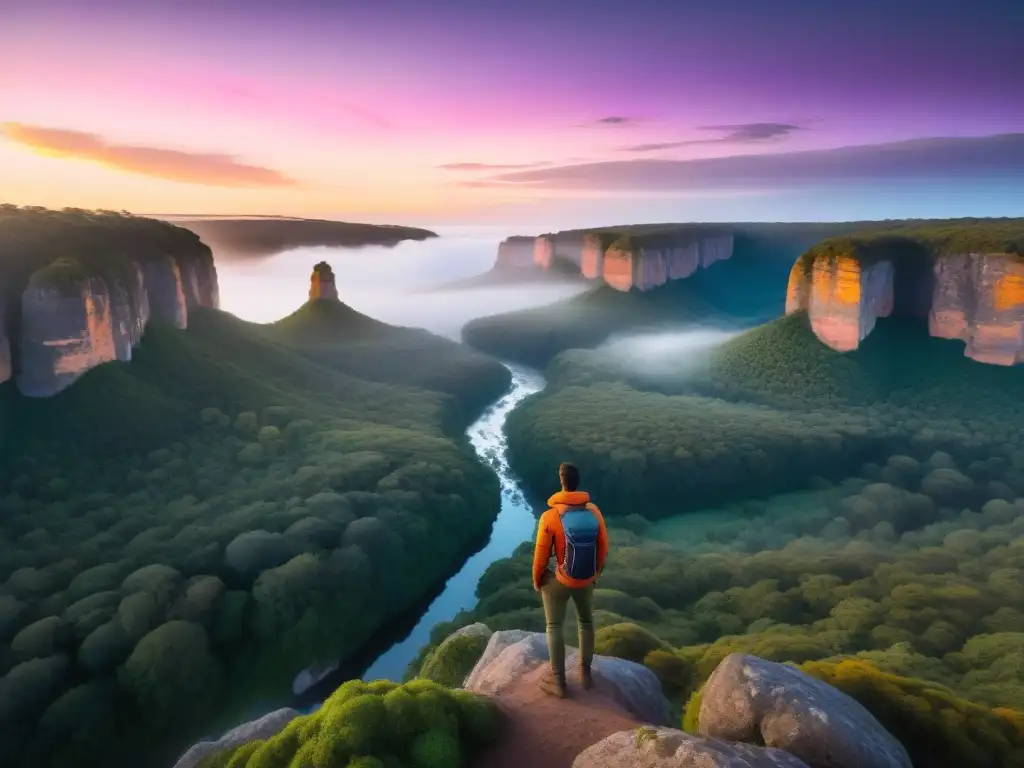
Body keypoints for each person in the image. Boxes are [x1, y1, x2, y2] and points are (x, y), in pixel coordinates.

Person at [532, 462, 609, 698]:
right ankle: (585, 673)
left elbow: (541, 555)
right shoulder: (593, 510)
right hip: (586, 578)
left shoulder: (550, 516)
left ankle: (559, 683)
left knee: (554, 626)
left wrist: (537, 580)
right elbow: (603, 547)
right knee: (586, 622)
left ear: (562, 482)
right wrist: (594, 574)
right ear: (577, 483)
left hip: (561, 579)